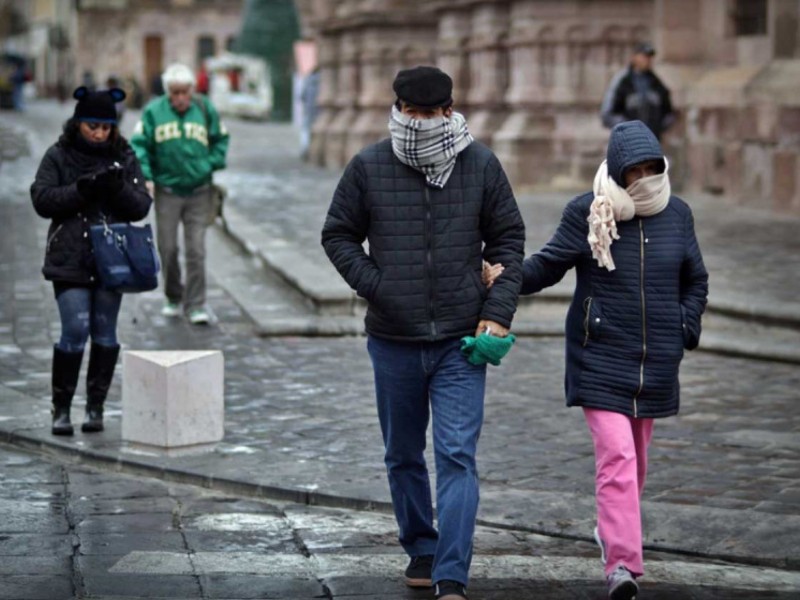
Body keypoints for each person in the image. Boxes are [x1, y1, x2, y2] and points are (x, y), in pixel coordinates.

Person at [321, 66, 525, 600]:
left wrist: (497, 310)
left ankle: (452, 573)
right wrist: (379, 285)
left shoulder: (480, 164)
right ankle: (423, 547)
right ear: (398, 110)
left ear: (449, 111)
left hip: (462, 340)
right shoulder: (368, 165)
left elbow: (508, 242)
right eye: (412, 113)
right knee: (403, 454)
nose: (422, 123)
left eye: (432, 114)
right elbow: (338, 234)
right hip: (393, 338)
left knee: (457, 454)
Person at [484, 120, 708, 600]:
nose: (646, 178)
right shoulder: (589, 212)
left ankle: (611, 531)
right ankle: (622, 566)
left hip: (657, 362)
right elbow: (548, 265)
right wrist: (503, 278)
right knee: (618, 458)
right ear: (619, 171)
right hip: (600, 356)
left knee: (636, 463)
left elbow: (696, 279)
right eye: (637, 170)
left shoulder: (678, 215)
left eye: (653, 168)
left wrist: (685, 325)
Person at [30, 86, 152, 436]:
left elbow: (141, 204)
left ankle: (95, 407)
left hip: (112, 258)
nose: (99, 134)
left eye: (105, 127)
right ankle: (62, 408)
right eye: (92, 126)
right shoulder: (59, 155)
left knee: (105, 333)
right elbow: (42, 198)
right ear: (79, 123)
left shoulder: (124, 154)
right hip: (70, 255)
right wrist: (81, 189)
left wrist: (116, 189)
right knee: (74, 329)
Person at [130, 63, 230, 325]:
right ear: (167, 92)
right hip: (168, 191)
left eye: (185, 92)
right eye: (175, 93)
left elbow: (221, 139)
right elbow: (139, 146)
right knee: (168, 248)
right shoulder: (153, 112)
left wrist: (209, 164)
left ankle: (196, 304)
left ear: (191, 90)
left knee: (196, 250)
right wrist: (147, 176)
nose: (181, 98)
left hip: (200, 191)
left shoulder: (205, 109)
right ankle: (174, 295)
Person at [600, 42, 675, 140]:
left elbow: (669, 113)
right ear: (634, 57)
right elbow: (607, 114)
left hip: (651, 141)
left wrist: (657, 128)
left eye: (649, 57)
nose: (647, 60)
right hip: (628, 142)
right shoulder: (622, 81)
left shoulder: (656, 83)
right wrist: (628, 129)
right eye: (644, 56)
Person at [299, 66, 320, 160]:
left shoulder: (308, 80)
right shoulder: (324, 82)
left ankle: (305, 150)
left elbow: (302, 96)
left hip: (309, 111)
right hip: (320, 112)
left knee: (306, 132)